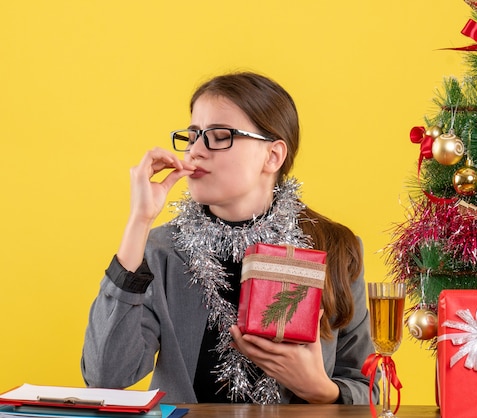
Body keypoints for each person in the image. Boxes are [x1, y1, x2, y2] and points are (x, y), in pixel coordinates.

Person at [81, 71, 378, 405]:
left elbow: (369, 391)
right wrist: (139, 221)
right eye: (193, 136)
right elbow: (105, 376)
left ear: (273, 156)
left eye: (219, 135)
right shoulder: (161, 251)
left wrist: (319, 389)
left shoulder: (334, 248)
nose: (195, 151)